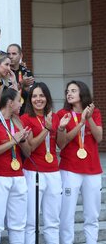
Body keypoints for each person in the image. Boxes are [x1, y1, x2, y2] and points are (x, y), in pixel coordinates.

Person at [21, 82, 69, 244]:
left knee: (53, 221)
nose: (38, 99)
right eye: (34, 96)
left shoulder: (54, 117)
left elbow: (61, 145)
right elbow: (31, 146)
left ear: (47, 98)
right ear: (30, 99)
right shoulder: (25, 118)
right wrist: (47, 129)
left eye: (41, 95)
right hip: (33, 172)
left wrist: (61, 129)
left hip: (53, 172)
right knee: (31, 221)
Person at [56, 80, 103, 244]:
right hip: (70, 169)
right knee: (67, 213)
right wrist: (81, 122)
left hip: (92, 169)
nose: (69, 93)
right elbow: (61, 143)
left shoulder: (94, 112)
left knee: (92, 215)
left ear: (82, 93)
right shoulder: (62, 114)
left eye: (73, 90)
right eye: (67, 91)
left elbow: (99, 137)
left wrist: (88, 119)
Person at [0, 87, 31, 244]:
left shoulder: (18, 121)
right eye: (19, 101)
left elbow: (28, 152)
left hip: (18, 175)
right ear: (10, 103)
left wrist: (22, 140)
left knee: (18, 224)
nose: (21, 105)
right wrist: (13, 141)